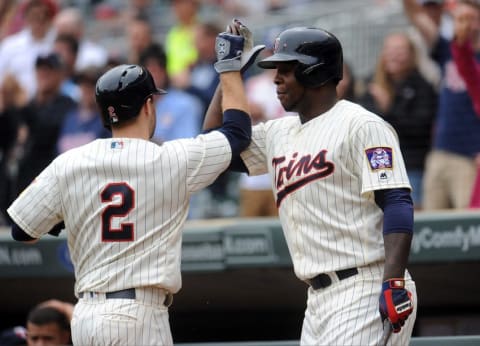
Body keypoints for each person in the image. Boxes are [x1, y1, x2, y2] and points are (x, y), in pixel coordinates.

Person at [7, 27, 253, 346]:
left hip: (85, 317)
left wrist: (75, 211)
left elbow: (20, 231)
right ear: (148, 106)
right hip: (137, 316)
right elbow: (237, 135)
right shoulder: (170, 158)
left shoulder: (69, 162)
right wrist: (230, 69)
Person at [204, 22, 417, 345]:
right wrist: (229, 74)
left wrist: (393, 282)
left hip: (366, 282)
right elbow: (213, 144)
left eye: (285, 70)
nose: (275, 79)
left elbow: (397, 201)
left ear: (315, 73)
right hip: (317, 300)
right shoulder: (278, 132)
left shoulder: (362, 125)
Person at [359, 31, 437, 209]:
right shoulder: (371, 83)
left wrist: (389, 109)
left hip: (411, 166)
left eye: (400, 50)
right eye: (390, 49)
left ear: (411, 54)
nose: (394, 54)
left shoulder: (422, 86)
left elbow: (421, 128)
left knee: (409, 217)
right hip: (375, 166)